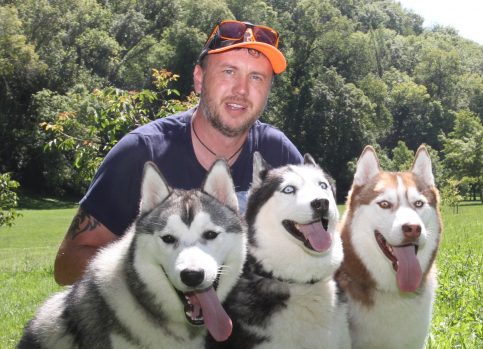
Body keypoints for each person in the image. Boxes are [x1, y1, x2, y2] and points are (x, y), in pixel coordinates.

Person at [53, 19, 303, 286]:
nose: (241, 90)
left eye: (256, 77)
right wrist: (157, 274)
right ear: (199, 79)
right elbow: (67, 266)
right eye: (229, 71)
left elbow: (322, 246)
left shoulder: (279, 156)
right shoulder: (141, 153)